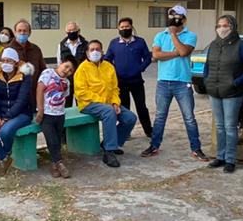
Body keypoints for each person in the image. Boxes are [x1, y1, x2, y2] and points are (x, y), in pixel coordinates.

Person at [140, 5, 207, 160]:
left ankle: (196, 148)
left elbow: (184, 52)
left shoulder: (190, 35)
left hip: (183, 83)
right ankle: (154, 145)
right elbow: (156, 55)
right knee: (160, 116)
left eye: (176, 16)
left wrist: (173, 34)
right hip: (163, 82)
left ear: (183, 19)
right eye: (171, 15)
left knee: (189, 117)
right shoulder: (160, 35)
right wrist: (175, 53)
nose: (173, 19)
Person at [202, 14, 243, 173]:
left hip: (232, 93)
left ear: (232, 27)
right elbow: (207, 66)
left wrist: (236, 82)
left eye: (225, 25)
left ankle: (230, 159)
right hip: (214, 91)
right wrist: (206, 80)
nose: (221, 29)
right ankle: (220, 156)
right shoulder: (213, 45)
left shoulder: (241, 45)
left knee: (230, 127)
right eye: (219, 26)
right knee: (219, 126)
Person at [74, 39, 138, 168]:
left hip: (109, 103)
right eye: (92, 50)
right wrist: (106, 103)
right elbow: (81, 92)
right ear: (87, 53)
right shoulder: (82, 69)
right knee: (108, 112)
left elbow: (115, 88)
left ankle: (110, 143)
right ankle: (109, 152)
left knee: (130, 118)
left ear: (103, 52)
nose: (95, 52)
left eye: (98, 49)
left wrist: (115, 103)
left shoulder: (109, 67)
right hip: (88, 104)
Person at [0, 48, 34, 171]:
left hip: (22, 113)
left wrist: (6, 118)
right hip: (0, 114)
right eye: (4, 60)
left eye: (10, 61)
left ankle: (4, 154)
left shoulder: (25, 76)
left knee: (5, 132)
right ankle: (5, 157)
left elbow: (22, 101)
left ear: (16, 63)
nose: (6, 63)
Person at [105, 16, 154, 138]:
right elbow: (107, 59)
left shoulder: (140, 42)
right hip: (120, 82)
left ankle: (148, 131)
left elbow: (148, 58)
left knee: (141, 107)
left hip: (136, 81)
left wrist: (140, 68)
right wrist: (114, 71)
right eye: (122, 27)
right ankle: (126, 133)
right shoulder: (114, 43)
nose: (124, 29)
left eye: (127, 27)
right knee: (124, 108)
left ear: (131, 27)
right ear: (118, 28)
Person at [35, 57, 75, 177]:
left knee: (57, 140)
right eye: (66, 66)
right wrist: (40, 111)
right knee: (51, 139)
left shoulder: (67, 82)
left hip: (59, 114)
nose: (67, 70)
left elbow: (64, 97)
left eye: (71, 70)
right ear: (61, 63)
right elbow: (39, 90)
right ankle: (60, 163)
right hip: (47, 114)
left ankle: (53, 165)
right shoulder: (48, 73)